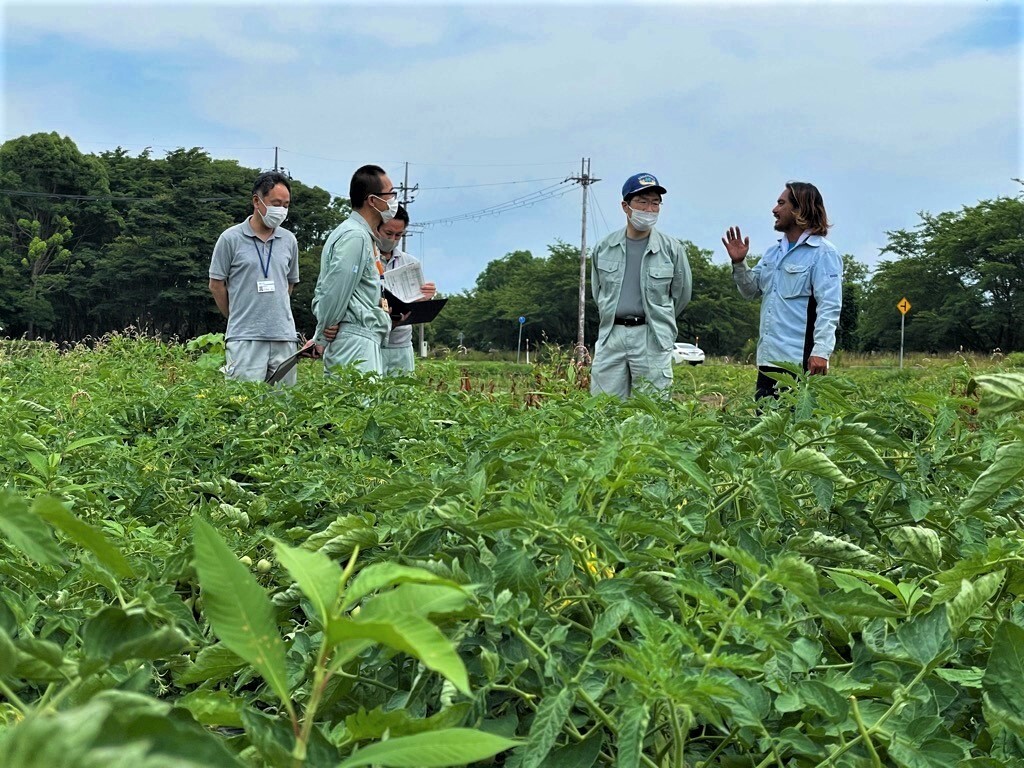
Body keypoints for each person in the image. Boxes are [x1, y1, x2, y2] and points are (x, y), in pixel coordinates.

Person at [723, 181, 843, 400]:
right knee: (766, 428)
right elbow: (751, 290)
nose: (774, 210)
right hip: (768, 360)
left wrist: (821, 352)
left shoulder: (823, 253)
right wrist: (740, 263)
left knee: (796, 428)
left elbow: (829, 306)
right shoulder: (773, 253)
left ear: (799, 209)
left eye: (781, 203)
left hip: (799, 362)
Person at [589, 172, 692, 398]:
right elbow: (598, 292)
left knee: (651, 409)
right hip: (611, 334)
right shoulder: (604, 247)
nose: (649, 209)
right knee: (603, 407)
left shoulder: (672, 249)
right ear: (626, 206)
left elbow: (681, 295)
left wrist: (660, 318)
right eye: (642, 202)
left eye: (655, 203)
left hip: (651, 335)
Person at [208, 171, 300, 385]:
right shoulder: (230, 238)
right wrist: (236, 315)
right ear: (257, 201)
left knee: (284, 406)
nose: (281, 210)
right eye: (276, 203)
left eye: (286, 205)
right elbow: (216, 285)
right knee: (242, 404)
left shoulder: (289, 240)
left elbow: (289, 283)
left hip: (283, 337)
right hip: (244, 337)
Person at [321, 205, 437, 374]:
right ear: (376, 227)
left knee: (403, 396)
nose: (393, 239)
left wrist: (426, 296)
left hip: (400, 343)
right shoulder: (362, 256)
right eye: (388, 233)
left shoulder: (410, 263)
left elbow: (417, 303)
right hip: (369, 339)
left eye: (399, 235)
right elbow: (341, 292)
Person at [311, 165, 397, 375]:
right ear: (372, 200)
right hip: (355, 340)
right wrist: (324, 329)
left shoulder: (358, 234)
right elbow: (335, 290)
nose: (394, 201)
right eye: (391, 194)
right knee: (359, 406)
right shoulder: (355, 237)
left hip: (358, 337)